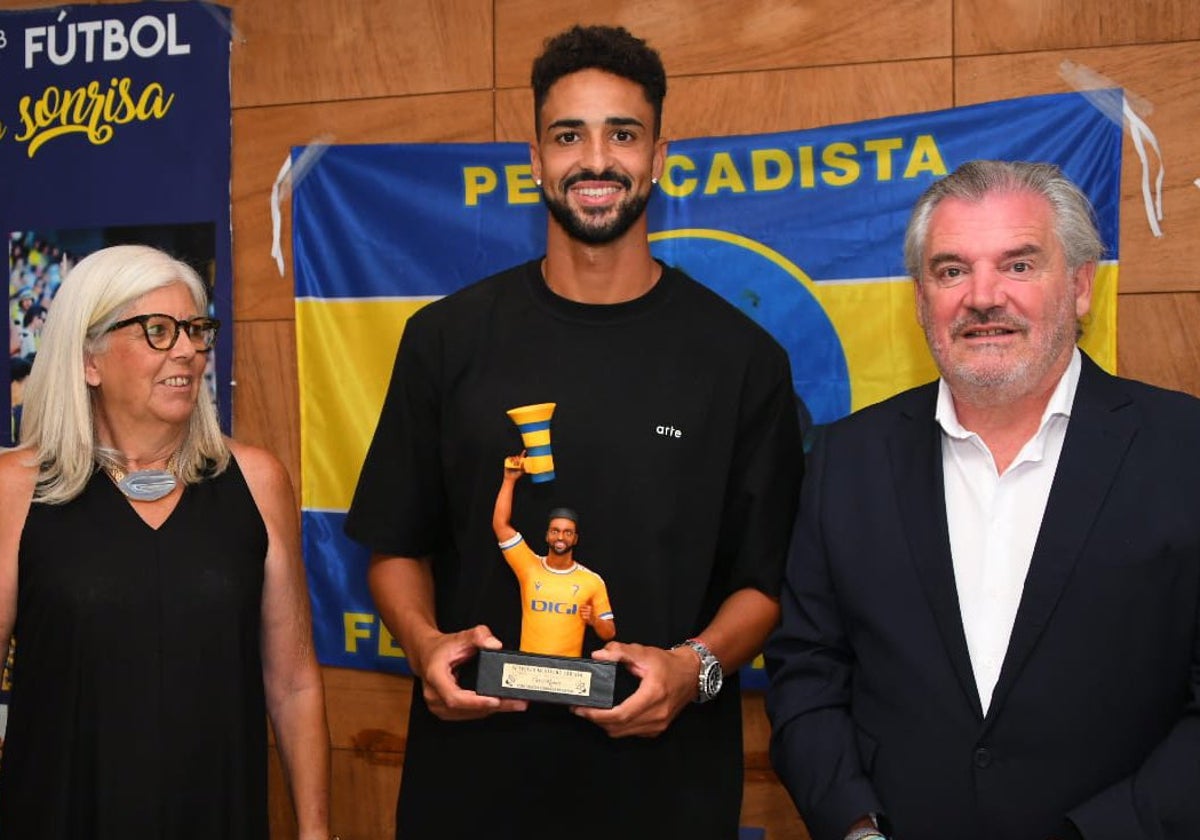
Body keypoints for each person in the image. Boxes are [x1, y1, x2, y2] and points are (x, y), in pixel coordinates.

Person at [344, 24, 803, 839]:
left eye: (622, 133)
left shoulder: (741, 361)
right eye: (569, 136)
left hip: (665, 794)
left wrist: (691, 670)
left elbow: (764, 585)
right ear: (536, 158)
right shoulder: (445, 340)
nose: (596, 160)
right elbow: (394, 545)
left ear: (659, 154)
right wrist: (422, 647)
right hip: (474, 786)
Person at [765, 160, 1200, 840]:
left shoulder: (1185, 451)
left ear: (1082, 286)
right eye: (951, 270)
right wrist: (855, 825)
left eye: (1019, 266)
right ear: (920, 298)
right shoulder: (846, 461)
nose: (983, 296)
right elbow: (807, 670)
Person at [0, 244, 332, 838]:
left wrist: (314, 832)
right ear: (89, 360)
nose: (188, 349)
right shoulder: (16, 490)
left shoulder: (256, 480)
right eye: (157, 330)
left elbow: (295, 682)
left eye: (195, 329)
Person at [492, 452, 615, 657]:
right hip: (528, 672)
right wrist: (509, 480)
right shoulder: (529, 566)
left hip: (566, 676)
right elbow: (500, 525)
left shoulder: (591, 581)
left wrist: (594, 620)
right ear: (547, 535)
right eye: (555, 531)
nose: (561, 537)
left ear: (575, 539)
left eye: (568, 532)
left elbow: (609, 632)